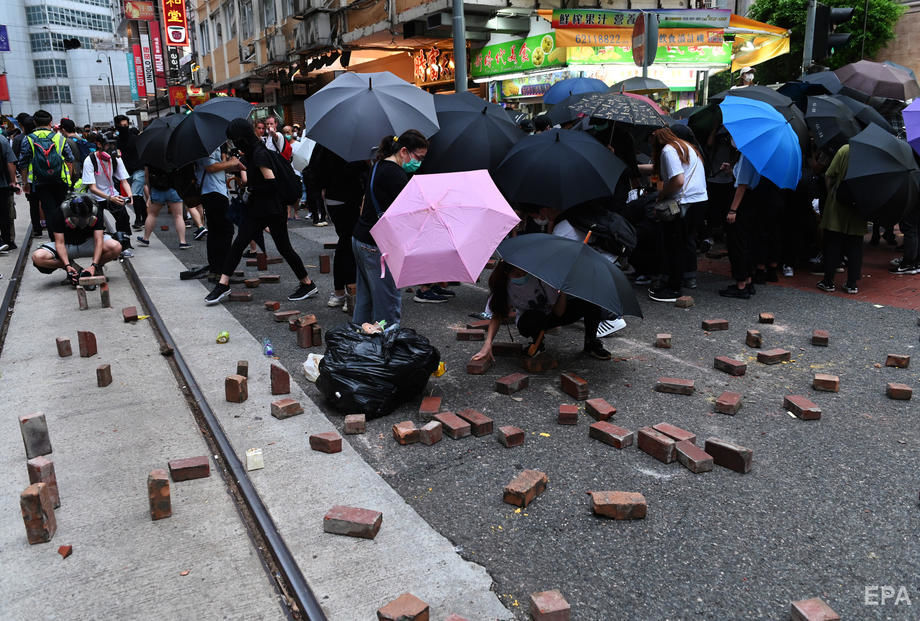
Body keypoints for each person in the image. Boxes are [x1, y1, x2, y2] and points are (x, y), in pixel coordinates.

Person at [205, 118, 317, 305]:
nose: (233, 143)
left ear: (241, 138)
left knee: (254, 244)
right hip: (263, 208)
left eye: (234, 139)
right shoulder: (253, 152)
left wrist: (252, 190)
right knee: (250, 244)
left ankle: (307, 283)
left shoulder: (259, 154)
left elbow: (271, 183)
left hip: (269, 208)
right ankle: (307, 283)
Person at [351, 130, 428, 327]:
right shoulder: (395, 175)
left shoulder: (379, 165)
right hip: (379, 246)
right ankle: (385, 349)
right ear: (404, 151)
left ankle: (362, 344)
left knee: (365, 301)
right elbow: (409, 214)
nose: (418, 163)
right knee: (387, 306)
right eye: (418, 157)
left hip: (362, 238)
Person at [472, 261, 611, 362]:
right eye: (516, 274)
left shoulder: (541, 278)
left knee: (590, 301)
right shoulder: (504, 287)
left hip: (551, 315)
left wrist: (561, 291)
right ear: (507, 273)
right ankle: (537, 343)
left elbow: (559, 312)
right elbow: (497, 316)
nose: (521, 276)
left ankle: (591, 342)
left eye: (523, 272)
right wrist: (487, 344)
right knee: (533, 318)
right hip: (529, 321)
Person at [646, 127, 708, 302]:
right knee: (682, 243)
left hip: (684, 203)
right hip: (699, 201)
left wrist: (662, 195)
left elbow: (678, 180)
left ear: (655, 137)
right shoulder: (685, 146)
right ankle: (678, 281)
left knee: (674, 245)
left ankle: (674, 288)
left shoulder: (668, 150)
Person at [305, 144, 367, 312]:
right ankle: (349, 293)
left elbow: (313, 171)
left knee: (344, 243)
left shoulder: (326, 141)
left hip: (333, 199)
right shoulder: (355, 144)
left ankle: (340, 293)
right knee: (348, 245)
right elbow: (357, 171)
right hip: (349, 198)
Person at [31, 193, 122, 282]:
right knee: (38, 257)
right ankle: (74, 268)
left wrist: (94, 265)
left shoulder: (96, 211)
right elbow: (60, 243)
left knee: (116, 247)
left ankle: (96, 269)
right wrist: (67, 265)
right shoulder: (60, 213)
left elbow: (99, 240)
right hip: (66, 245)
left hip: (88, 242)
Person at [18, 110, 74, 240]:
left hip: (40, 181)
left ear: (34, 122)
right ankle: (65, 238)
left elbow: (23, 164)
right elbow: (69, 159)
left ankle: (54, 240)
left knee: (49, 210)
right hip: (60, 180)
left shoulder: (28, 139)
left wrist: (25, 183)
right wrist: (68, 179)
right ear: (50, 122)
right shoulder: (59, 137)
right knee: (62, 208)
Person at [817, 144, 864, 294]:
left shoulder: (845, 150)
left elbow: (829, 175)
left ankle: (828, 281)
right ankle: (851, 284)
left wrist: (832, 192)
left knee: (833, 242)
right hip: (859, 206)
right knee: (855, 245)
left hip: (838, 204)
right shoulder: (872, 156)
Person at [82, 133, 134, 255]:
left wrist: (130, 195)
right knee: (97, 224)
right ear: (99, 144)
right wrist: (110, 198)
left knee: (124, 218)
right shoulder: (90, 160)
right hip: (96, 197)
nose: (111, 148)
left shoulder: (116, 159)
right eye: (107, 145)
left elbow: (124, 180)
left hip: (113, 194)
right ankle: (98, 248)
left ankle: (123, 246)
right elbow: (92, 188)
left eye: (113, 145)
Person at [196, 146, 241, 282]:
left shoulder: (211, 143)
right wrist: (231, 162)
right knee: (225, 231)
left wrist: (232, 165)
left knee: (216, 231)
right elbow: (211, 167)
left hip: (216, 191)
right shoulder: (204, 146)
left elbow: (218, 167)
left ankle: (216, 270)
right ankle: (222, 272)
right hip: (213, 192)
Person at [137, 164, 190, 249]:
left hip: (157, 189)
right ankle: (182, 242)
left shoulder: (151, 156)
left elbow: (146, 177)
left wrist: (150, 192)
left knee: (152, 214)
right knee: (178, 216)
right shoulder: (176, 155)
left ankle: (145, 239)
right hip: (174, 189)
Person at [113, 114, 147, 230]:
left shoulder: (135, 138)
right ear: (117, 126)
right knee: (137, 195)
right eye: (121, 125)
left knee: (136, 195)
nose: (124, 127)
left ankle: (138, 219)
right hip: (127, 171)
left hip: (138, 169)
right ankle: (145, 215)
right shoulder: (117, 141)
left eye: (126, 125)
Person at [0, 133, 21, 252]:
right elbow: (10, 162)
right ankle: (7, 240)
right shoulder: (2, 140)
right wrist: (13, 181)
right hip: (2, 184)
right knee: (4, 213)